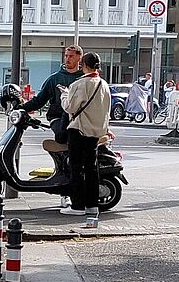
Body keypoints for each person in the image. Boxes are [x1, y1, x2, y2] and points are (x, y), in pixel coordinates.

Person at [18, 45, 84, 209]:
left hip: (78, 119)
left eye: (71, 56)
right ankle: (65, 189)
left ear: (79, 59)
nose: (67, 59)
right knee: (62, 135)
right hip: (57, 118)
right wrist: (22, 107)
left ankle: (70, 187)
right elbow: (40, 100)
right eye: (66, 56)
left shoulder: (84, 78)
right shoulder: (55, 78)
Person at [62, 52, 111, 229]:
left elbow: (70, 107)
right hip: (95, 132)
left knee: (75, 167)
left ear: (83, 65)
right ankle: (92, 205)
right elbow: (106, 111)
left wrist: (64, 95)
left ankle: (77, 205)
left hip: (79, 129)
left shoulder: (79, 84)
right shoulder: (104, 85)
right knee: (91, 169)